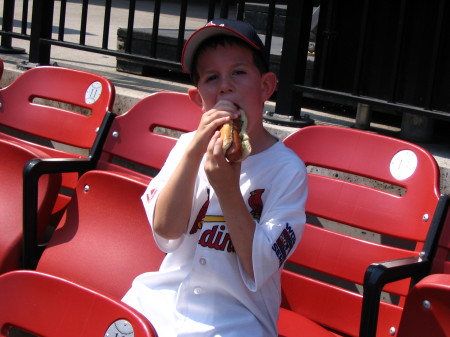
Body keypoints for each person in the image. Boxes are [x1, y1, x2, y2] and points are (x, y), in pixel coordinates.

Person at [122, 18, 308, 337]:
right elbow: (166, 230)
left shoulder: (288, 170)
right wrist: (194, 152)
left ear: (265, 87)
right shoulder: (185, 147)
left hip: (237, 321)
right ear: (198, 99)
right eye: (211, 77)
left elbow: (258, 266)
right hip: (160, 303)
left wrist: (226, 189)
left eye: (238, 72)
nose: (225, 85)